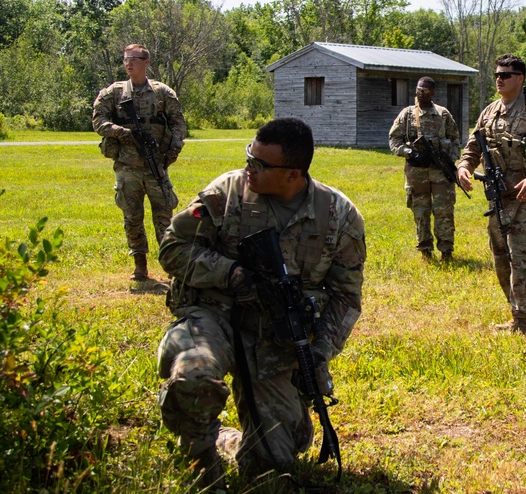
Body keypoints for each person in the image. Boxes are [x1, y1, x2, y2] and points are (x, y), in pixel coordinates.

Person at [156, 118, 365, 491]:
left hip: (274, 341)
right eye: (248, 156)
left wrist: (318, 353)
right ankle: (200, 458)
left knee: (274, 463)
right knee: (195, 377)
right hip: (213, 317)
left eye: (260, 164)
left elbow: (345, 297)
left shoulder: (339, 216)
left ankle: (227, 437)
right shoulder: (227, 192)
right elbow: (172, 247)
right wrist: (230, 273)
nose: (248, 167)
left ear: (292, 174)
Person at [457, 54, 526, 335]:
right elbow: (473, 146)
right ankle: (516, 312)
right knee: (501, 258)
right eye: (497, 75)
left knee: (522, 257)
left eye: (506, 74)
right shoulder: (489, 112)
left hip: (525, 196)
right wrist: (464, 167)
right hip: (497, 197)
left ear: (521, 78)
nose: (499, 79)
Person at [92, 43, 186, 281]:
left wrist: (172, 151)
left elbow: (178, 123)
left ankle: (172, 266)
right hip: (127, 166)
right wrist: (122, 132)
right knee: (132, 217)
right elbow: (98, 121)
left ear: (146, 62)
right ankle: (140, 265)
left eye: (133, 58)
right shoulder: (114, 93)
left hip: (156, 165)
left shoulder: (163, 92)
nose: (128, 63)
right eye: (125, 59)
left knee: (165, 217)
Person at [388, 76, 462, 262]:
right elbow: (394, 139)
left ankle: (446, 251)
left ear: (433, 93)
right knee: (420, 211)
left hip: (440, 172)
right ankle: (425, 251)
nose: (421, 95)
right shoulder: (407, 114)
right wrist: (410, 153)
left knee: (443, 211)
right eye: (419, 91)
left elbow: (455, 140)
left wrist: (448, 160)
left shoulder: (443, 114)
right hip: (416, 172)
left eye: (426, 92)